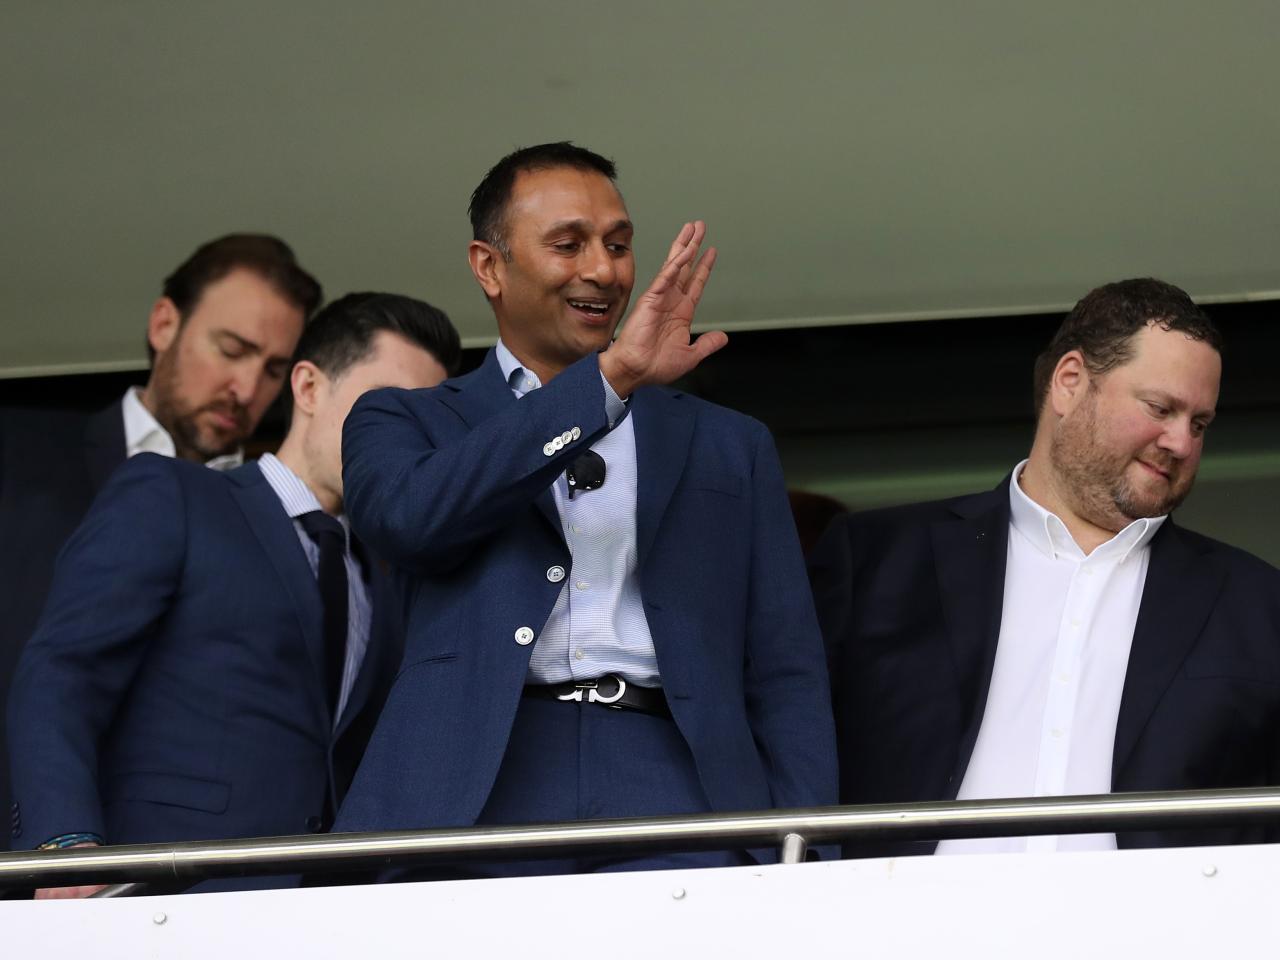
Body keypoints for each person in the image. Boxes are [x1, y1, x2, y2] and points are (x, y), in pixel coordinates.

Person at [334, 142, 836, 875]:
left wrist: (806, 843)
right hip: (476, 780)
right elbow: (408, 521)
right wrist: (606, 383)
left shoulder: (730, 444)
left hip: (677, 772)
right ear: (489, 266)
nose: (603, 270)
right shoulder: (402, 420)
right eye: (568, 245)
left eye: (619, 245)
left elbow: (785, 665)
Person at [7, 293, 461, 895]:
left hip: (307, 911)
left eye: (425, 424)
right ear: (307, 387)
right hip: (148, 895)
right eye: (388, 409)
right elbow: (62, 672)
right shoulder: (174, 494)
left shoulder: (388, 575)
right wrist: (62, 844)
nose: (406, 442)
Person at [809, 278, 1280, 857]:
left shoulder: (1256, 603)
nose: (1181, 443)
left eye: (1200, 424)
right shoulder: (878, 560)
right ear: (1070, 381)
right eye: (1161, 408)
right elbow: (790, 753)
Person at [0, 234, 321, 850]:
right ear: (164, 323)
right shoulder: (20, 454)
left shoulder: (284, 522)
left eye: (274, 370)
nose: (247, 387)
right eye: (232, 349)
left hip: (194, 888)